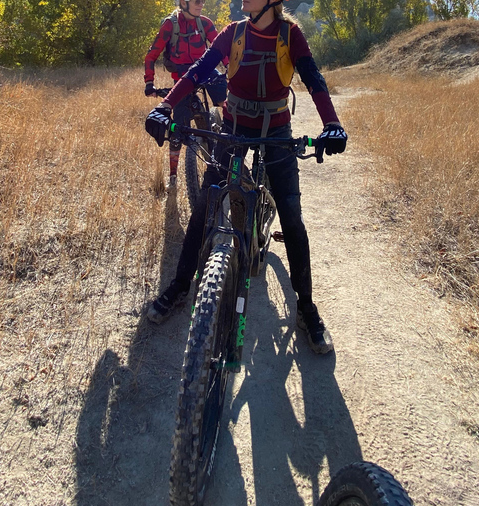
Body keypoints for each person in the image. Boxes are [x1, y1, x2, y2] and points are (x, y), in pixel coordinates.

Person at [144, 0, 348, 354]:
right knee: (206, 203)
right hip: (235, 127)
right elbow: (198, 70)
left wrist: (332, 123)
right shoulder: (234, 32)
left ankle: (306, 306)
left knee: (292, 217)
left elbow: (313, 79)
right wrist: (163, 107)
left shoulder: (290, 34)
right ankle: (180, 285)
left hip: (277, 130)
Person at [144, 0, 227, 187]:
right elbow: (151, 56)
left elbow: (221, 49)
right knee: (177, 131)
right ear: (183, 2)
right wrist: (149, 83)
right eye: (197, 1)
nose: (201, 4)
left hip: (205, 70)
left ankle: (230, 135)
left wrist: (231, 67)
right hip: (182, 76)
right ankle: (173, 176)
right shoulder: (170, 25)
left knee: (226, 96)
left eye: (203, 1)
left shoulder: (205, 23)